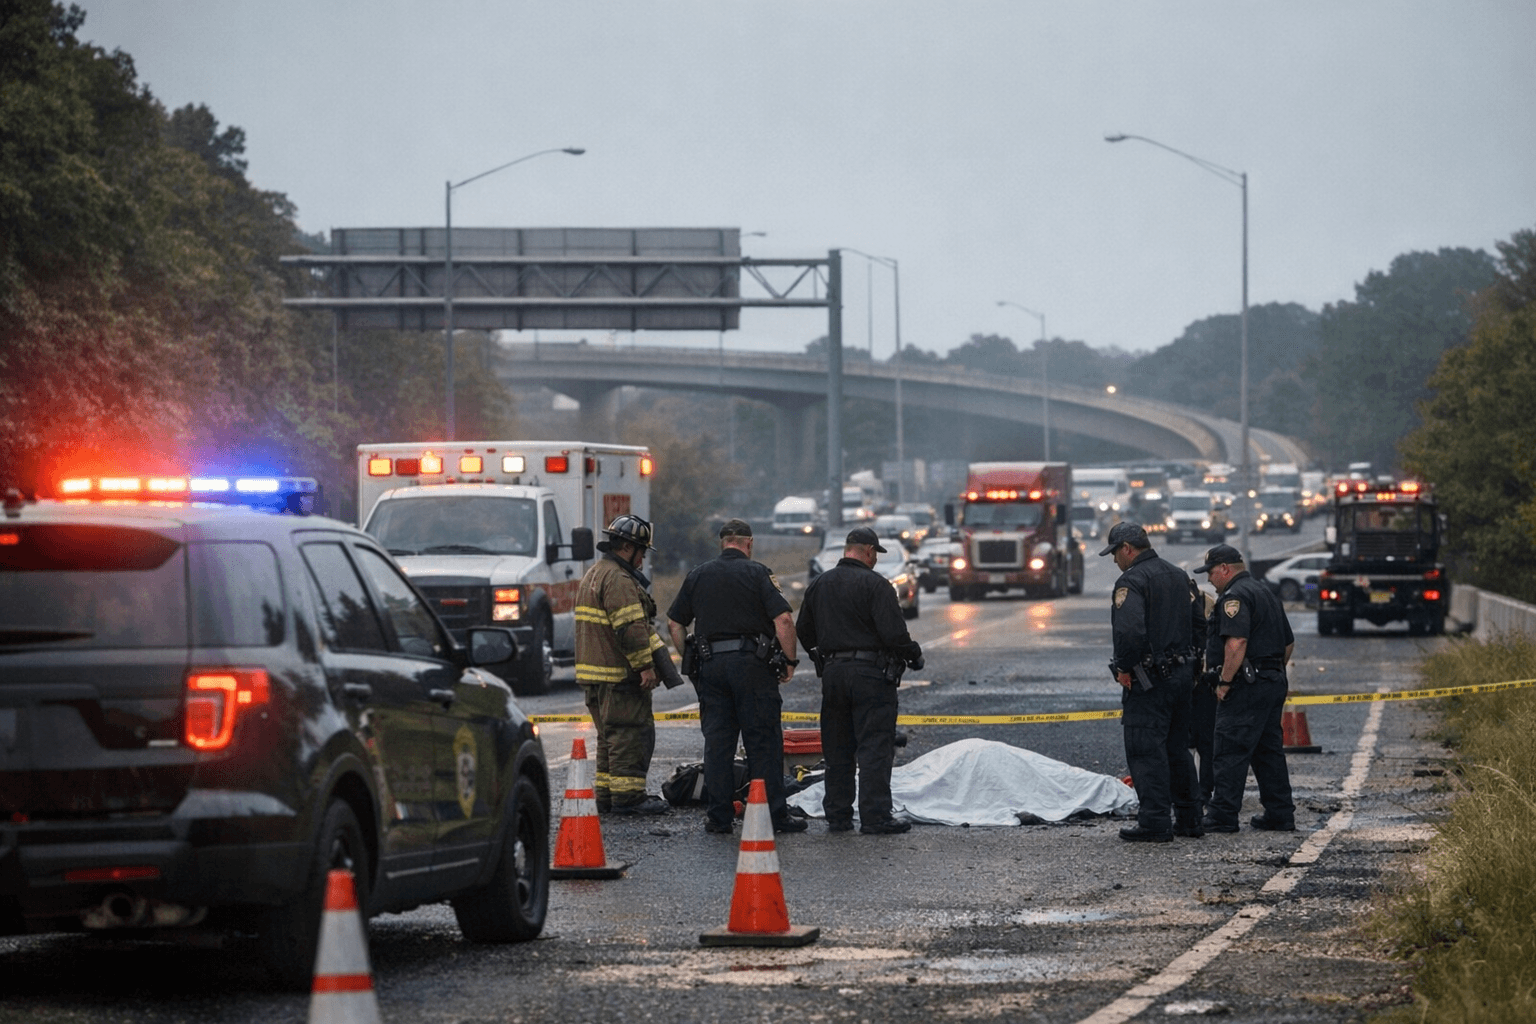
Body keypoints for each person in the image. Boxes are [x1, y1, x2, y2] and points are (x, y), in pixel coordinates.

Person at [667, 518, 804, 835]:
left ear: (722, 543)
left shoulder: (698, 574)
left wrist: (692, 657)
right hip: (752, 668)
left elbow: (675, 623)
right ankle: (774, 816)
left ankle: (719, 817)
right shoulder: (758, 573)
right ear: (749, 543)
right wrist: (790, 661)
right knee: (764, 742)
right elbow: (783, 619)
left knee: (718, 744)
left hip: (711, 668)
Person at [795, 526, 923, 835]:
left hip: (834, 675)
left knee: (837, 750)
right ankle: (875, 817)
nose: (875, 560)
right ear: (867, 551)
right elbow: (893, 633)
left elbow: (803, 629)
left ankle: (838, 816)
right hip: (871, 676)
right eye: (875, 554)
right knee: (874, 747)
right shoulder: (877, 586)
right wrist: (913, 655)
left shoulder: (819, 584)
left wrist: (821, 656)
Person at [1100, 521, 1203, 842]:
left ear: (1128, 549)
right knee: (1178, 749)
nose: (1115, 560)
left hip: (1148, 681)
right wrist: (1192, 663)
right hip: (1184, 677)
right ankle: (1190, 819)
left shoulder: (1131, 581)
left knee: (1146, 750)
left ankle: (1155, 821)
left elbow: (1129, 633)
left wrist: (1125, 667)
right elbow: (1201, 624)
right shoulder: (1178, 575)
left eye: (1115, 553)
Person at [1194, 543, 1297, 833]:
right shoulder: (1265, 592)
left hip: (1245, 685)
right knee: (1268, 751)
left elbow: (1236, 642)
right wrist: (1271, 672)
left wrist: (1226, 681)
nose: (1209, 580)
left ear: (1225, 569)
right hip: (1272, 680)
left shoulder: (1235, 596)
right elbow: (1288, 643)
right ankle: (1280, 813)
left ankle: (1223, 814)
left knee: (1229, 748)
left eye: (1211, 573)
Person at [574, 514, 670, 815]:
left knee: (609, 738)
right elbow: (630, 626)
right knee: (630, 734)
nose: (642, 559)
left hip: (595, 676)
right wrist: (645, 666)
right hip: (618, 676)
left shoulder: (595, 572)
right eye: (641, 551)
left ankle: (606, 796)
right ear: (628, 547)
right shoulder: (619, 579)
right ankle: (629, 798)